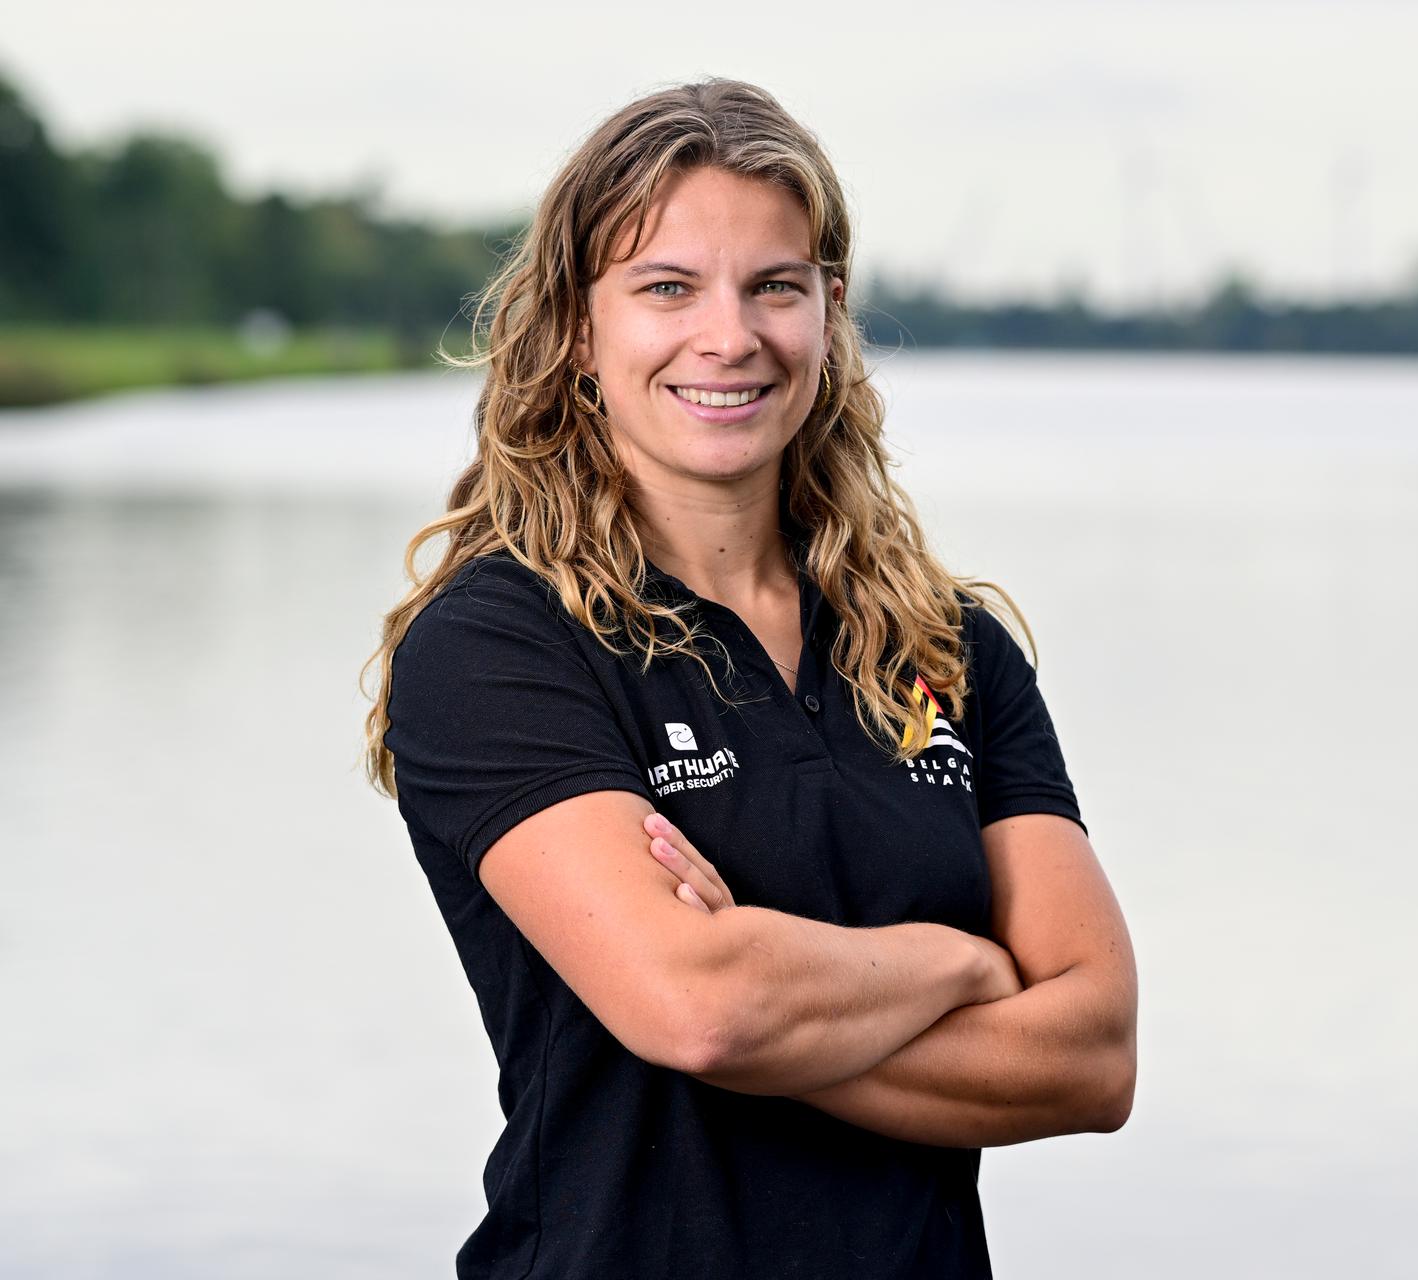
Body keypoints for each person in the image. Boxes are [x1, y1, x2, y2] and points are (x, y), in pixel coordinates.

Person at [360, 78, 1137, 1279]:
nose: (729, 336)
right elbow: (699, 1009)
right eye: (667, 287)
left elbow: (1093, 1054)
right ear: (579, 327)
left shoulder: (945, 648)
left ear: (828, 311)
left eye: (775, 286)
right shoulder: (499, 644)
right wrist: (963, 964)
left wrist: (773, 994)